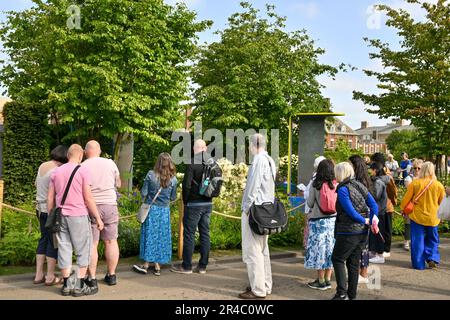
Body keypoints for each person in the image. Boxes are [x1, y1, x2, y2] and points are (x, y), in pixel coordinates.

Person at [47, 144, 104, 297]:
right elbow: (88, 197)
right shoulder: (83, 170)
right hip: (78, 215)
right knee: (83, 250)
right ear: (80, 155)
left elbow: (50, 198)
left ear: (68, 155)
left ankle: (66, 284)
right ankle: (78, 285)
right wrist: (98, 217)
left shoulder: (56, 172)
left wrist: (51, 215)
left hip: (60, 215)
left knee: (64, 248)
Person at [331, 162, 379, 300]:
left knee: (337, 258)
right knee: (353, 263)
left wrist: (364, 220)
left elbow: (349, 210)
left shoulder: (342, 189)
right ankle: (352, 295)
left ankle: (341, 293)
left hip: (348, 230)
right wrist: (373, 220)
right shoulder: (360, 185)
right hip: (362, 232)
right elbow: (373, 205)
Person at [238, 134, 276, 300]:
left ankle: (258, 289)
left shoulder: (258, 160)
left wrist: (245, 208)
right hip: (266, 210)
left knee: (253, 251)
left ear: (252, 145)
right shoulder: (269, 160)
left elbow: (252, 187)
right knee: (263, 250)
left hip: (255, 210)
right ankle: (265, 285)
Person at [171, 139, 213, 274]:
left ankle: (187, 266)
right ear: (205, 149)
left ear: (195, 149)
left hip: (194, 204)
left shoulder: (192, 162)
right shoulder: (212, 163)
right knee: (205, 234)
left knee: (189, 234)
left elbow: (187, 185)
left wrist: (186, 201)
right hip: (208, 203)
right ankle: (202, 266)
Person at [83, 140, 121, 288]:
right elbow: (118, 184)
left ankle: (91, 277)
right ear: (99, 150)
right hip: (110, 205)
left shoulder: (83, 166)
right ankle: (111, 275)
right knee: (111, 241)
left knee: (92, 244)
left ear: (86, 152)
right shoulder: (110, 163)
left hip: (91, 207)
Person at [133, 153, 177, 276]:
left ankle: (146, 264)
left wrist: (146, 199)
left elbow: (144, 192)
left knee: (150, 236)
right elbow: (173, 197)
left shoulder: (151, 175)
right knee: (161, 237)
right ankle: (157, 265)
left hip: (151, 210)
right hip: (164, 211)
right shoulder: (173, 179)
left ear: (158, 162)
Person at [34, 145, 68, 286]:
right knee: (53, 242)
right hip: (50, 210)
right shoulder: (57, 170)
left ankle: (38, 275)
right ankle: (50, 276)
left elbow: (36, 184)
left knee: (43, 239)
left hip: (38, 208)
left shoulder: (43, 165)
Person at [400, 162, 445, 270]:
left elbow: (406, 200)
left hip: (417, 217)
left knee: (417, 241)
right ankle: (432, 257)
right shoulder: (438, 185)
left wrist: (403, 209)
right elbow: (442, 203)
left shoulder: (415, 184)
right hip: (433, 217)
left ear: (422, 170)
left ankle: (418, 264)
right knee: (433, 239)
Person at [305, 159, 336, 291]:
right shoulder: (336, 184)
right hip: (333, 221)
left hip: (318, 221)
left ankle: (320, 281)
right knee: (330, 250)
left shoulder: (315, 184)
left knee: (319, 251)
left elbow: (310, 203)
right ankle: (328, 280)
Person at [348, 155, 373, 284]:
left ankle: (359, 273)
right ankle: (363, 273)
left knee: (358, 246)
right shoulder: (366, 180)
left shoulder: (355, 182)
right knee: (364, 246)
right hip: (366, 215)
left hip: (359, 217)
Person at [371, 152, 397, 258]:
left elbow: (392, 190)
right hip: (386, 205)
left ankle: (385, 249)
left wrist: (392, 200)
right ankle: (383, 249)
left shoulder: (385, 175)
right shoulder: (387, 173)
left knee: (385, 229)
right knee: (384, 228)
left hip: (385, 205)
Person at [368, 162, 390, 264]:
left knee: (378, 232)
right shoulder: (381, 181)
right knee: (376, 232)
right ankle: (376, 252)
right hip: (380, 210)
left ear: (375, 170)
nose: (369, 171)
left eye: (371, 169)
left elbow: (375, 196)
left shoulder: (378, 182)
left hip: (379, 210)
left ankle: (380, 254)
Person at [303, 156, 326, 249]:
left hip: (312, 210)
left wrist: (304, 191)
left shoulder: (315, 178)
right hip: (325, 212)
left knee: (310, 231)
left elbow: (310, 198)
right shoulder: (329, 179)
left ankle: (309, 248)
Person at [403, 159, 424, 251]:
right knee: (408, 223)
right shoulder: (409, 178)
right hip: (411, 203)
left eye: (419, 168)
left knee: (421, 223)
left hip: (421, 204)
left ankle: (418, 241)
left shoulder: (425, 179)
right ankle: (407, 241)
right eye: (415, 168)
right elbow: (410, 190)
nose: (417, 170)